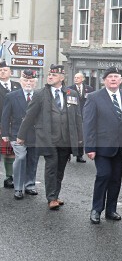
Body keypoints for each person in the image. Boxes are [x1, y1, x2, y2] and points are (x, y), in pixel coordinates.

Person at [17, 64, 84, 210]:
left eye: (53, 75)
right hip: (48, 138)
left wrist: (80, 138)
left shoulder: (71, 93)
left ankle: (56, 194)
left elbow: (78, 117)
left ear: (61, 77)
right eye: (49, 75)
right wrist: (21, 135)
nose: (50, 77)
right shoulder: (40, 94)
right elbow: (29, 116)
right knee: (51, 167)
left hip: (66, 139)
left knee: (60, 169)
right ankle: (51, 198)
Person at [83, 67, 122, 224]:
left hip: (120, 146)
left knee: (116, 178)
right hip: (101, 146)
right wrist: (90, 147)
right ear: (104, 80)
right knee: (103, 175)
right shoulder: (94, 97)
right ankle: (96, 209)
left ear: (121, 80)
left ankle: (111, 210)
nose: (113, 79)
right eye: (110, 77)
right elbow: (88, 123)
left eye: (116, 76)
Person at [1, 69, 39, 199]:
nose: (28, 83)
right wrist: (5, 133)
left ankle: (30, 185)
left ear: (35, 82)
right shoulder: (11, 96)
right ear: (21, 81)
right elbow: (5, 116)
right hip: (17, 134)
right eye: (26, 80)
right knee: (21, 157)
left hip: (35, 134)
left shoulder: (40, 96)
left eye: (31, 81)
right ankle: (18, 187)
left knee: (33, 160)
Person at [0, 60, 22, 188]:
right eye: (0, 70)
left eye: (5, 70)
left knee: (10, 151)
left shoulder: (16, 85)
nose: (2, 72)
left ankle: (9, 177)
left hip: (13, 124)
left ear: (10, 72)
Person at [68, 71, 94, 162]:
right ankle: (68, 154)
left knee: (81, 136)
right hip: (73, 115)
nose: (76, 79)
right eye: (75, 77)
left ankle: (80, 155)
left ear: (82, 79)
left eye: (78, 77)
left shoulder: (89, 89)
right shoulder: (69, 89)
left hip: (84, 115)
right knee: (70, 134)